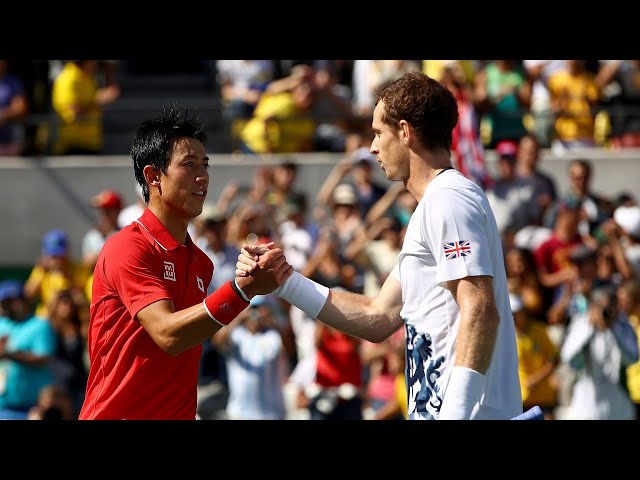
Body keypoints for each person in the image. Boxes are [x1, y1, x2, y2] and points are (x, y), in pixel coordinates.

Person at [237, 72, 523, 420]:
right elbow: (378, 316)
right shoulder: (433, 206)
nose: (372, 147)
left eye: (377, 133)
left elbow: (479, 306)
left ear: (404, 132)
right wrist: (285, 281)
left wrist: (456, 413)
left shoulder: (448, 199)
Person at [77, 104, 292, 420]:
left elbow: (199, 333)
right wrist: (242, 291)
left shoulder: (201, 263)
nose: (202, 176)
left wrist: (252, 283)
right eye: (188, 164)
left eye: (204, 165)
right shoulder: (127, 247)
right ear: (153, 176)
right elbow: (169, 335)